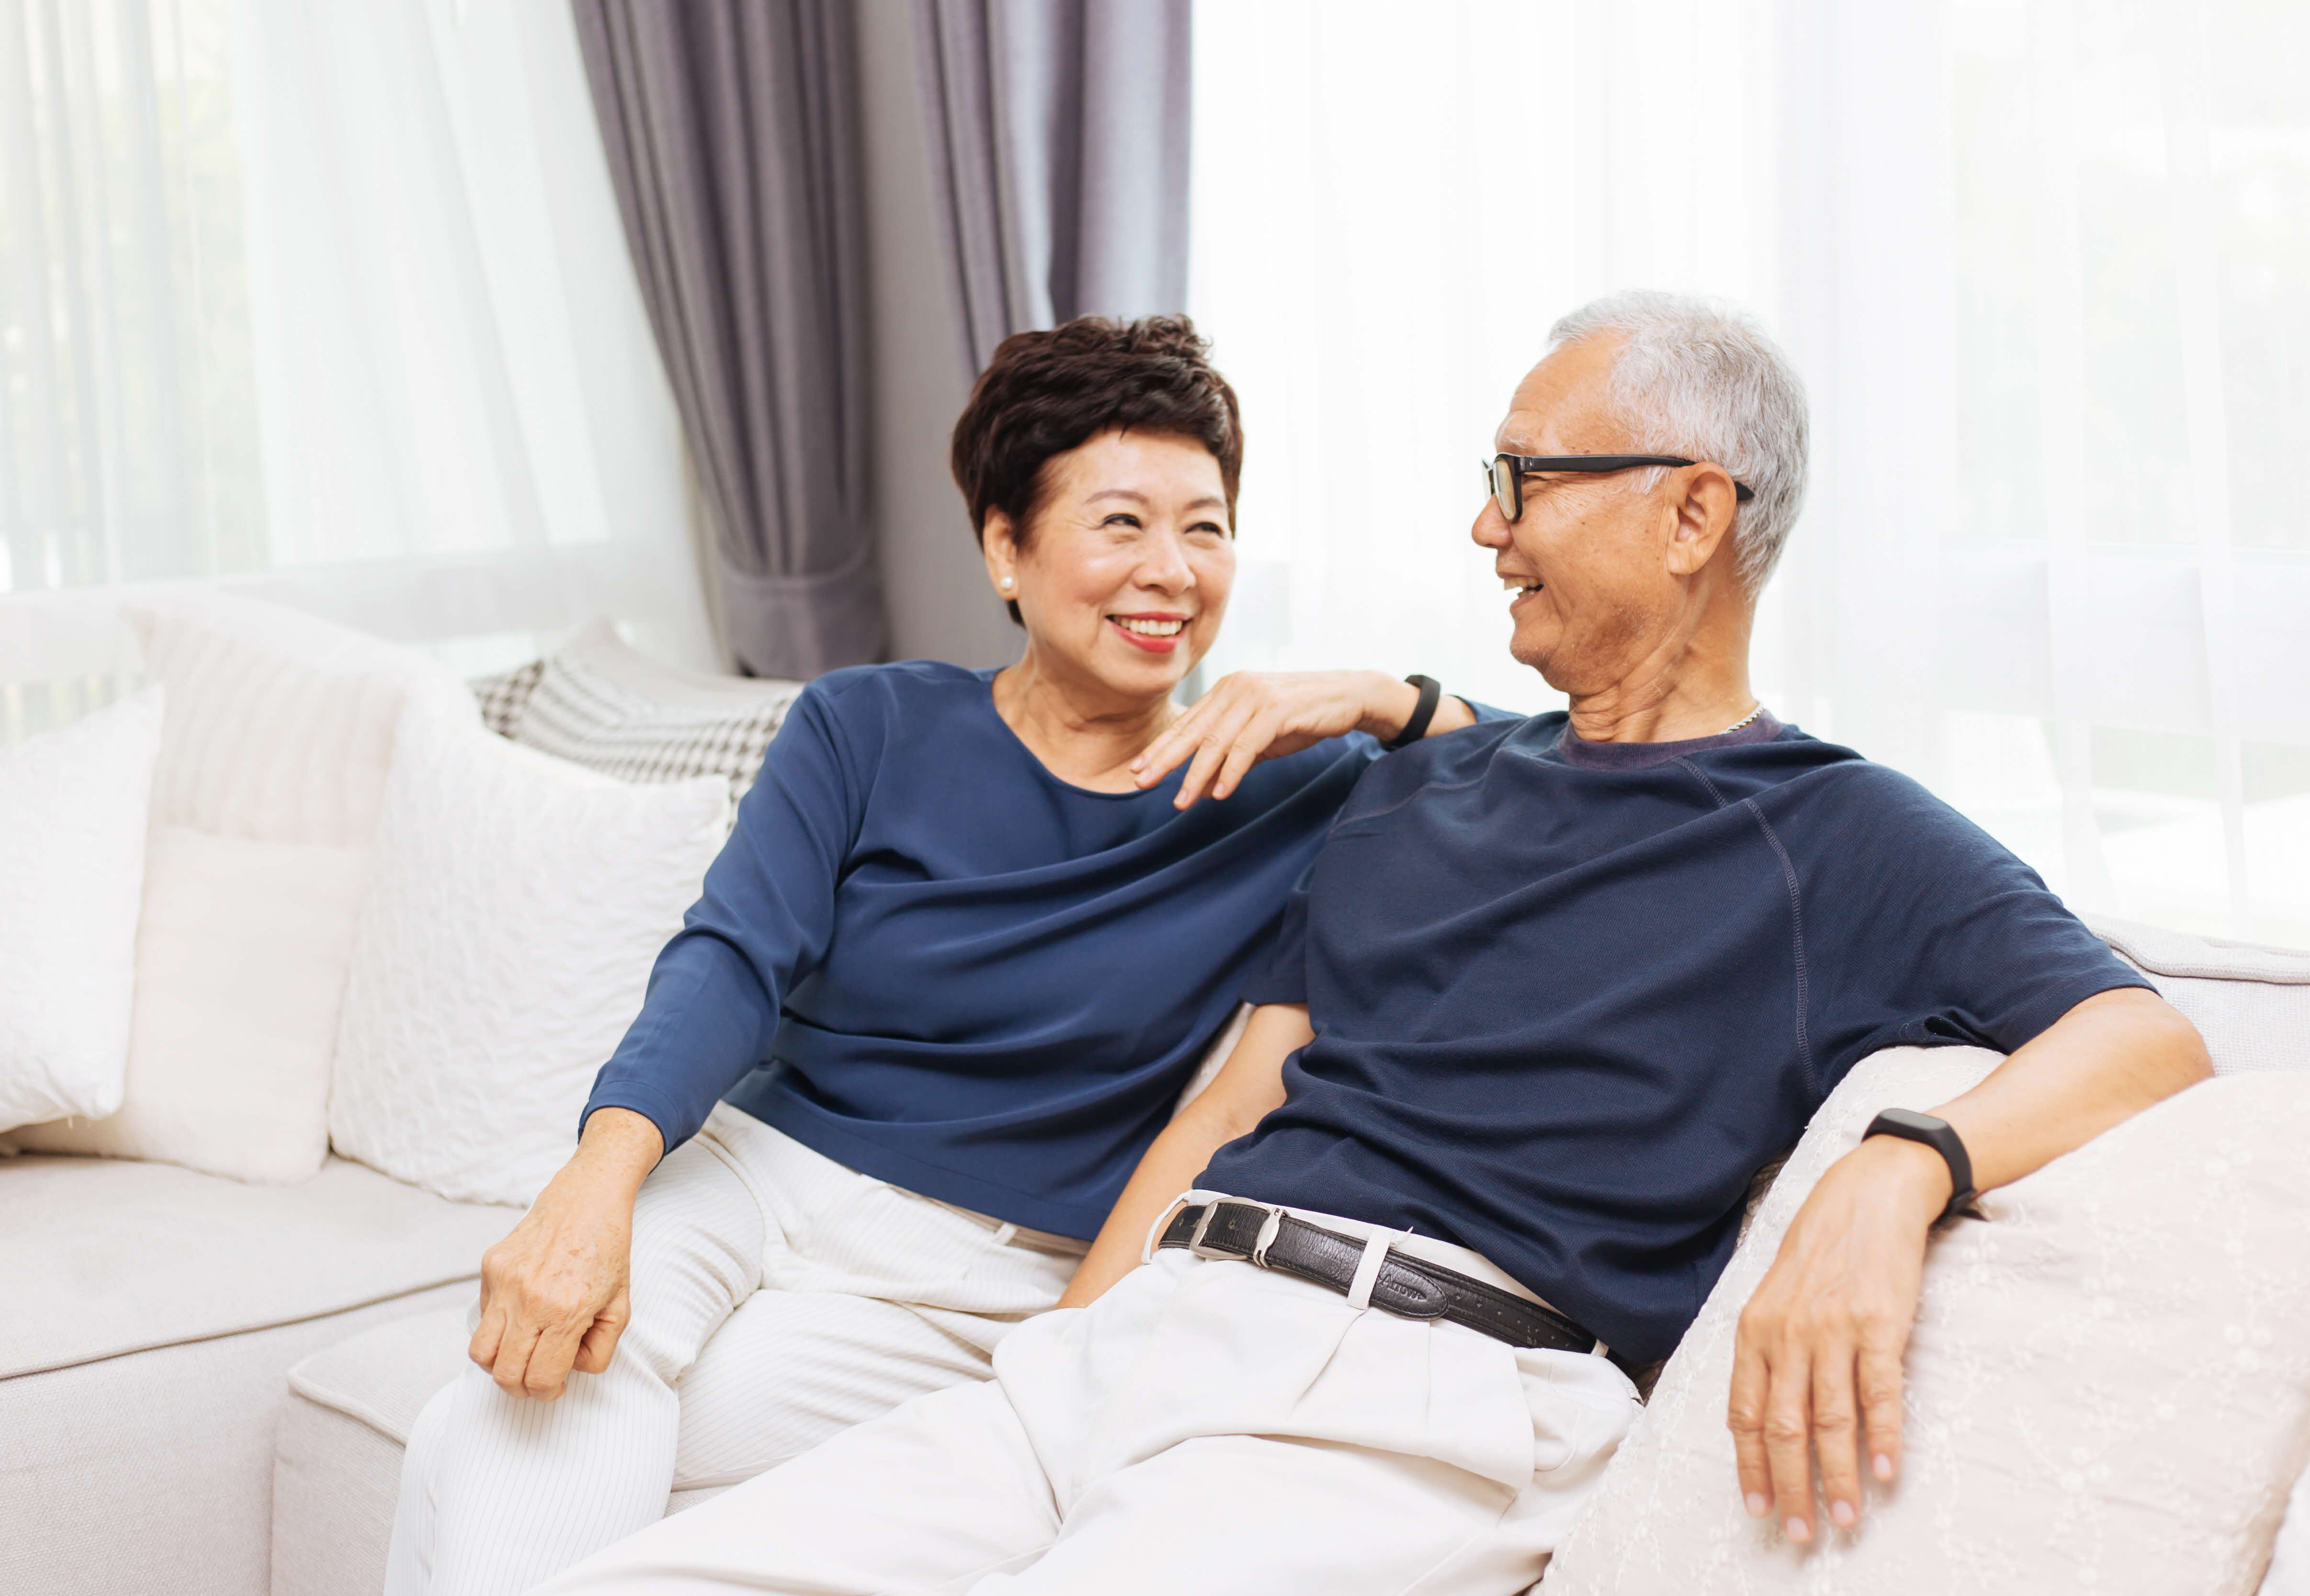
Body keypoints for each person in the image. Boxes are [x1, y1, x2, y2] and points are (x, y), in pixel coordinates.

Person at [521, 290, 2215, 1596]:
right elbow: (1229, 1105)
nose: (1489, 526)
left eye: (1527, 480)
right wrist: (1061, 1360)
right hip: (1147, 1331)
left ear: (1693, 516)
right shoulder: (1424, 793)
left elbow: (2150, 1038)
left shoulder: (1838, 832)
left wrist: (1897, 1171)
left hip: (1418, 1391)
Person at [385, 315, 1486, 1596]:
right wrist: (596, 1177)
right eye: (1121, 523)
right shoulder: (867, 722)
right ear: (1006, 549)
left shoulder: (1291, 791)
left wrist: (1384, 698)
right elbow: (733, 956)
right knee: (552, 1364)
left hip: (990, 1273)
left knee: (482, 1426)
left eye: (1206, 525)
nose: (1173, 569)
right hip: (755, 1171)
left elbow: (1570, 767)